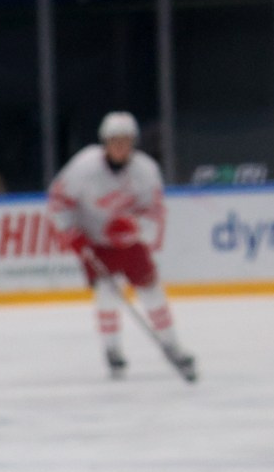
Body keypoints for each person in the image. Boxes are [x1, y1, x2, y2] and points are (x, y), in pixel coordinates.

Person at [47, 112, 196, 381]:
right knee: (106, 293)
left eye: (126, 141)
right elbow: (58, 201)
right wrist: (71, 235)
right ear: (105, 142)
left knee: (152, 291)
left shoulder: (146, 170)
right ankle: (112, 350)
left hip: (128, 244)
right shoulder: (84, 167)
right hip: (94, 241)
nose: (120, 147)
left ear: (134, 143)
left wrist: (133, 228)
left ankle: (172, 344)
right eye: (115, 141)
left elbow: (155, 213)